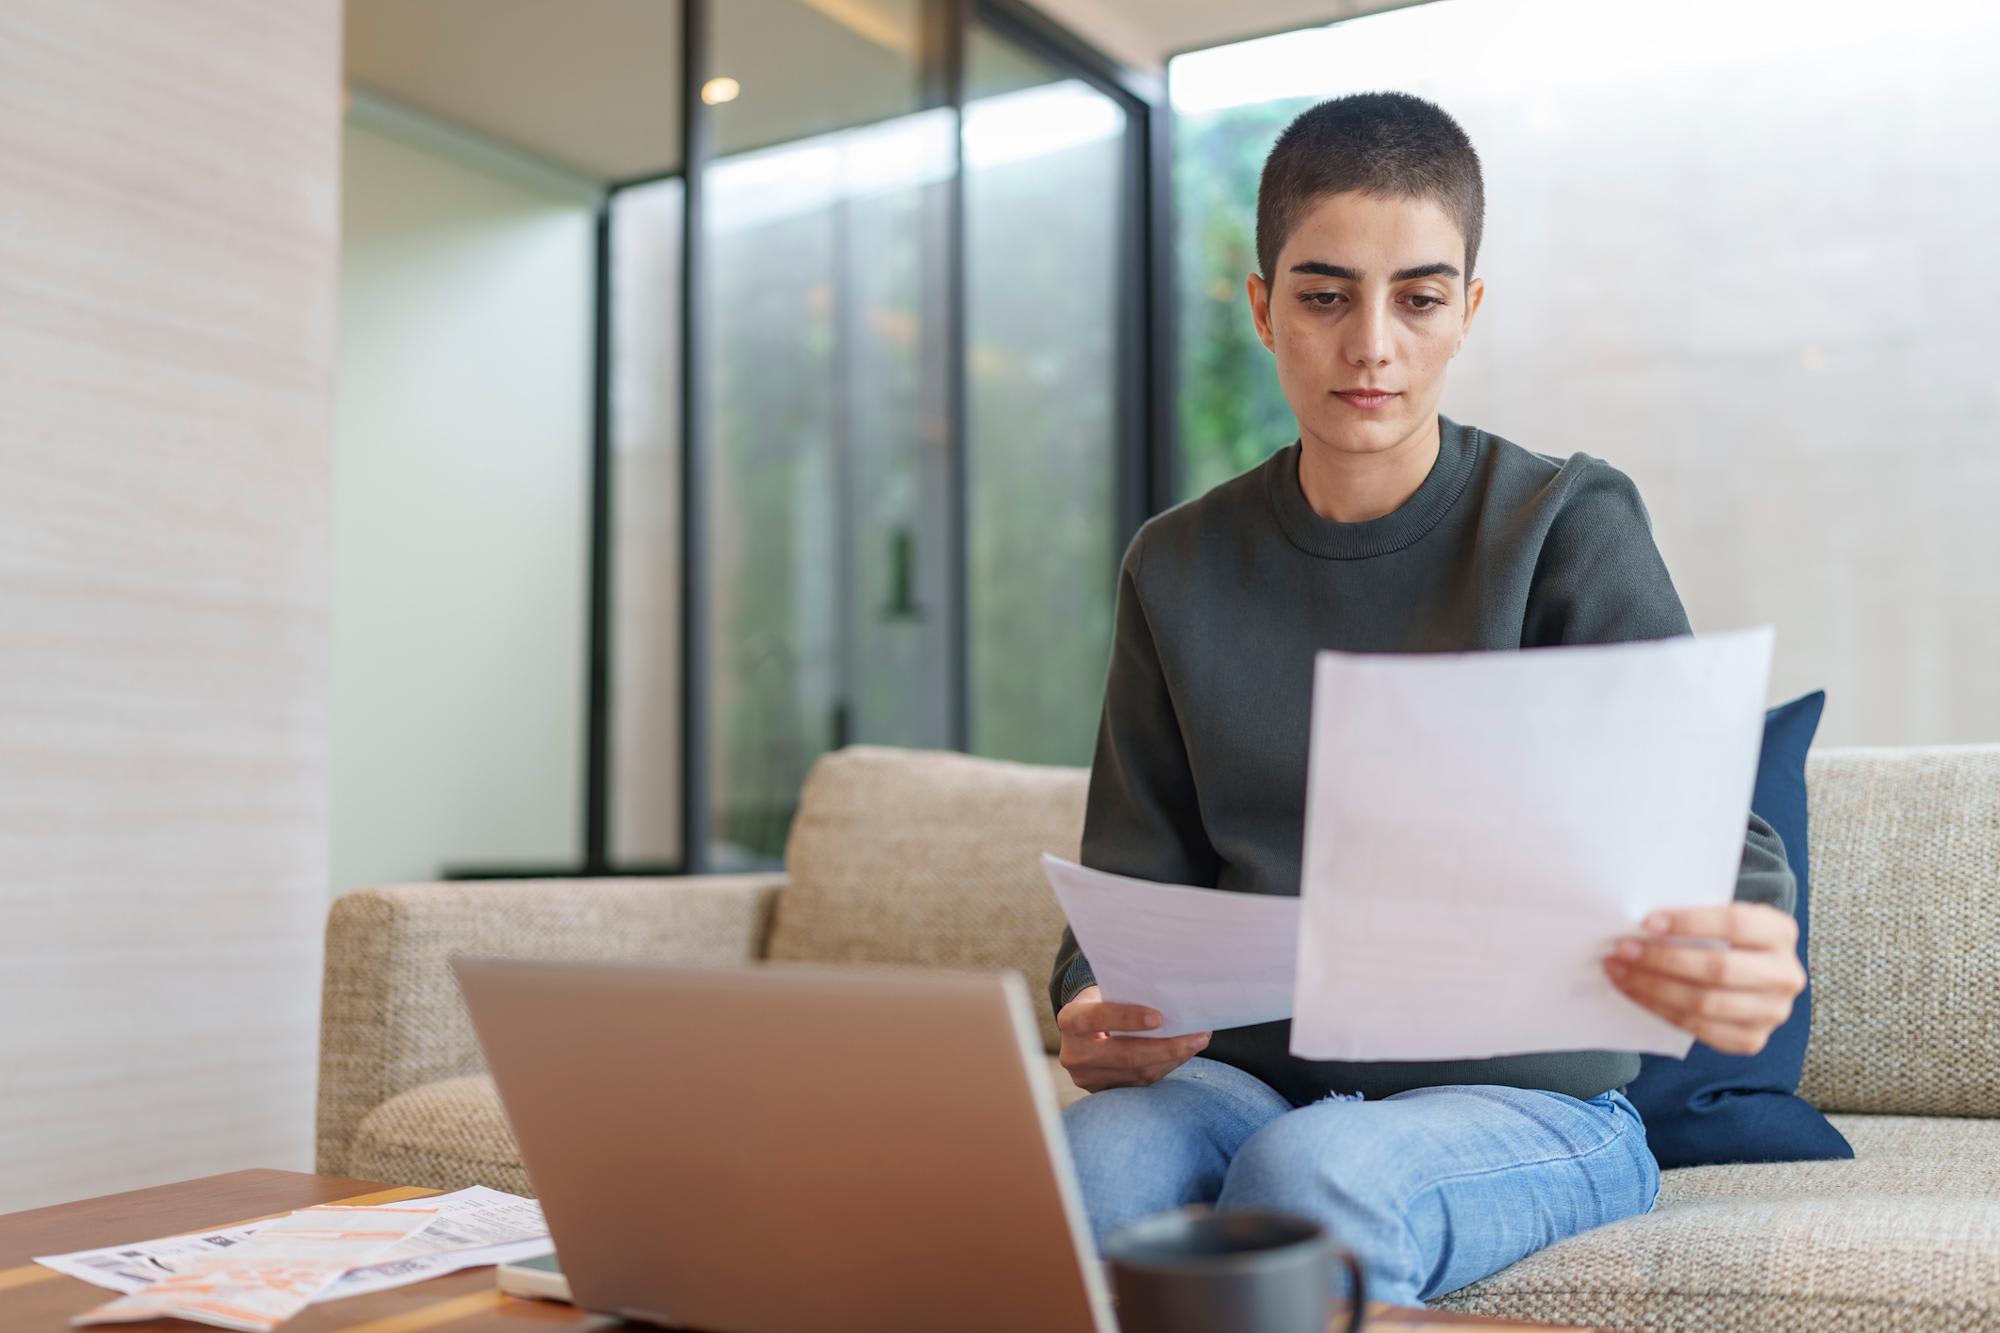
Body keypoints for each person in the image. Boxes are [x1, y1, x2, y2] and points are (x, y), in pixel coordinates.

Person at [1048, 90, 1806, 1309]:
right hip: (1249, 1073)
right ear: (1262, 308)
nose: (1371, 346)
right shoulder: (1176, 565)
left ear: (1466, 311)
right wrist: (1093, 1003)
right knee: (1090, 1167)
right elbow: (1123, 891)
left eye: (1416, 296)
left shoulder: (1563, 524)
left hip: (1534, 1098)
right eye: (1323, 294)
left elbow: (1717, 839)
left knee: (1315, 1172)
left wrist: (1736, 945)